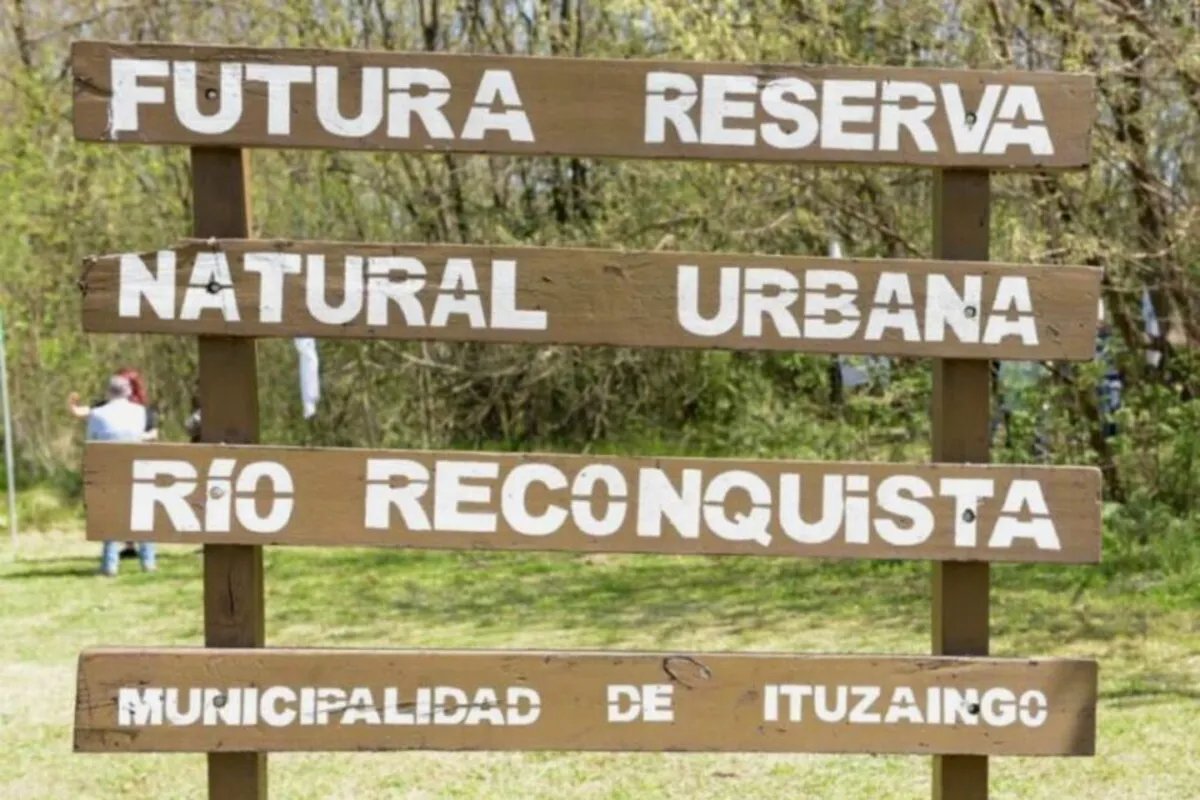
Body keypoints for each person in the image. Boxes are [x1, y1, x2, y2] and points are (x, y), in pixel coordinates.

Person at [68, 373, 156, 576]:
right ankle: (148, 561)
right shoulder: (140, 412)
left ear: (108, 392)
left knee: (110, 517)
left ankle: (110, 564)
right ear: (128, 392)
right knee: (141, 515)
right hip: (137, 468)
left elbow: (92, 442)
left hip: (108, 470)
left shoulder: (98, 414)